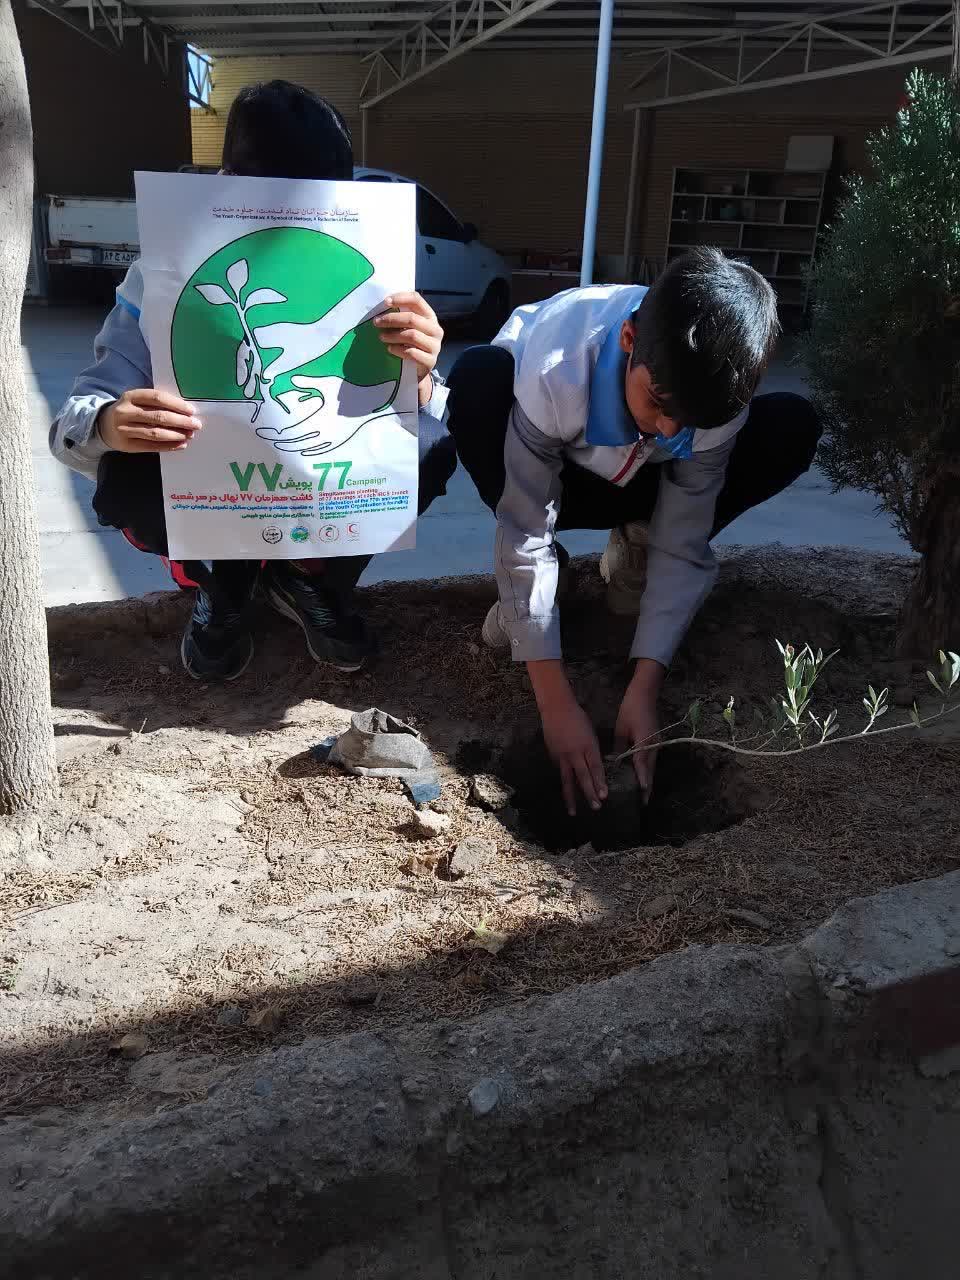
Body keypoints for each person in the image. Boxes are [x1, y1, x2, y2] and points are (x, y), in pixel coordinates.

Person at [50, 80, 454, 681]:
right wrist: (110, 424)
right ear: (225, 185)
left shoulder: (373, 275)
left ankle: (310, 582)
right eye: (268, 200)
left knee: (431, 446)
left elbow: (432, 414)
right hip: (211, 498)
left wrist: (418, 374)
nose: (288, 223)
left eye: (312, 204)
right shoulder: (160, 279)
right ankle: (223, 587)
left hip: (318, 490)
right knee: (124, 478)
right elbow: (71, 424)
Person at [447, 248, 821, 817]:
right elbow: (525, 524)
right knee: (477, 379)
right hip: (557, 476)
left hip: (647, 484)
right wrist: (555, 705)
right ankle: (544, 584)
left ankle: (634, 546)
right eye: (659, 403)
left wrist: (646, 685)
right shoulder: (557, 363)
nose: (670, 428)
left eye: (689, 420)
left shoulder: (713, 397)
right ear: (628, 339)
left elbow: (686, 535)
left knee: (791, 423)